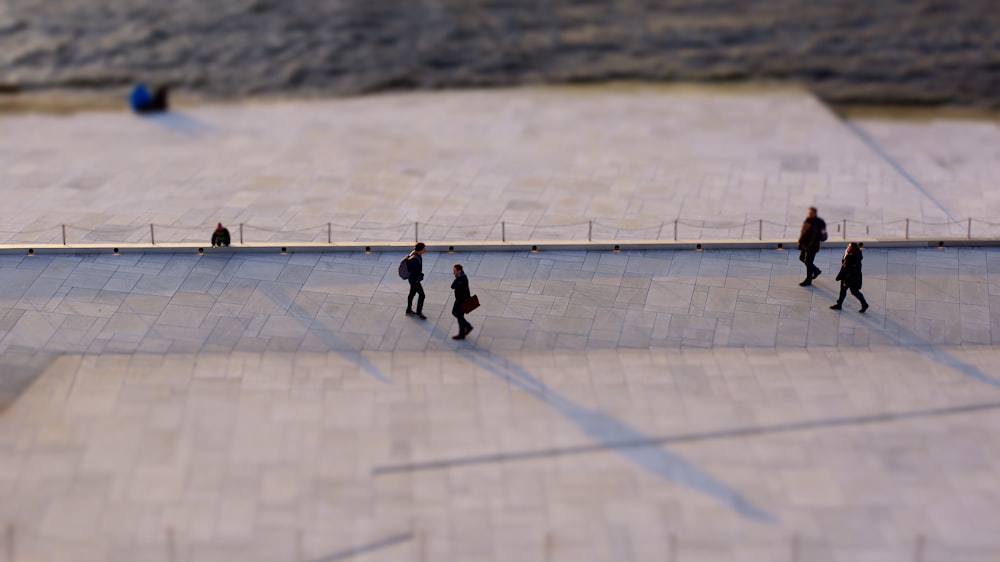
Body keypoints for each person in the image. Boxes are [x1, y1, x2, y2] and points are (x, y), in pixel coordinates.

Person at [830, 242, 869, 313]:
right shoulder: (854, 254)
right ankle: (839, 304)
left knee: (854, 291)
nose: (847, 247)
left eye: (849, 247)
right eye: (848, 246)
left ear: (853, 249)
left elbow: (846, 269)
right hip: (852, 277)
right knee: (844, 291)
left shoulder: (851, 258)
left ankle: (864, 304)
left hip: (850, 278)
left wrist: (844, 281)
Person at [797, 206, 827, 286]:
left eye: (811, 213)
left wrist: (819, 237)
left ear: (815, 213)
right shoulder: (807, 220)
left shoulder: (820, 222)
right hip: (804, 244)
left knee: (808, 262)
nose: (809, 214)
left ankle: (808, 279)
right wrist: (800, 240)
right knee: (802, 258)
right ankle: (816, 270)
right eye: (809, 213)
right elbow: (803, 231)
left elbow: (824, 235)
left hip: (812, 246)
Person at [451, 263, 474, 340]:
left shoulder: (462, 278)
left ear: (459, 270)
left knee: (459, 316)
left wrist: (457, 278)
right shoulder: (460, 276)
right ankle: (467, 326)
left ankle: (462, 333)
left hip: (462, 300)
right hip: (459, 299)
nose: (453, 272)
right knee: (455, 313)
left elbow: (453, 286)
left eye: (454, 271)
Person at [405, 242, 427, 319]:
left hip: (413, 279)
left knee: (411, 294)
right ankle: (419, 312)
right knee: (422, 295)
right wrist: (419, 277)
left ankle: (408, 310)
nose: (425, 250)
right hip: (414, 280)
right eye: (424, 249)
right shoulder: (414, 259)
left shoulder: (416, 254)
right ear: (420, 250)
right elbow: (414, 272)